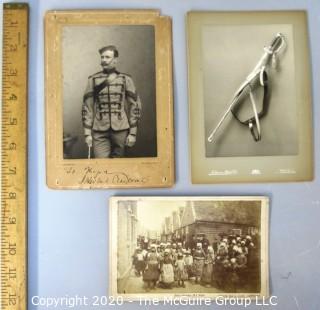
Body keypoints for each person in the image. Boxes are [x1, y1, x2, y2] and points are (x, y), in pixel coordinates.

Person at [82, 45, 142, 158]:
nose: (104, 60)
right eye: (102, 57)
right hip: (99, 130)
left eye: (107, 57)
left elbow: (135, 106)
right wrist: (87, 133)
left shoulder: (126, 79)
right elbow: (87, 108)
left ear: (115, 60)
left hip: (121, 129)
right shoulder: (93, 80)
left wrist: (133, 133)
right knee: (101, 165)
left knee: (119, 166)